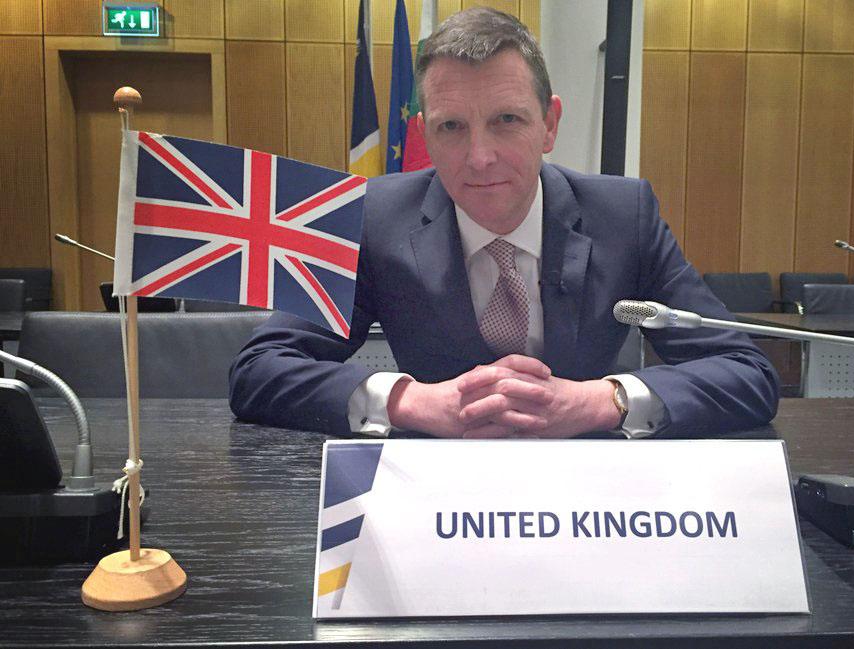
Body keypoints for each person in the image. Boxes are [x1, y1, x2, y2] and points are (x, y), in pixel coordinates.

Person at [229, 7, 779, 439]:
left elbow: (744, 372)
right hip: (431, 498)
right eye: (451, 128)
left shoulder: (623, 216)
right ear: (423, 134)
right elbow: (260, 369)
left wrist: (598, 401)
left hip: (589, 496)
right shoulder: (375, 216)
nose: (480, 158)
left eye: (506, 120)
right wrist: (413, 401)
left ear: (549, 124)